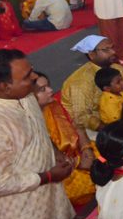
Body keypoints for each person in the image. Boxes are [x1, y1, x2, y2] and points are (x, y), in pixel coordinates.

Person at [0, 49, 74, 219]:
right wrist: (46, 177)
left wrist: (54, 151)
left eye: (32, 71)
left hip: (51, 196)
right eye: (27, 76)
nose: (35, 78)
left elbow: (38, 129)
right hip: (20, 213)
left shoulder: (25, 95)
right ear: (4, 87)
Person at [33, 71, 96, 205]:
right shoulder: (29, 122)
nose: (50, 90)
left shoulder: (54, 105)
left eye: (48, 86)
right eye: (42, 90)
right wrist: (75, 163)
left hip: (79, 152)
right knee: (87, 186)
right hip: (63, 170)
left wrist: (87, 150)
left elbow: (77, 127)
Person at [61, 35, 123, 137]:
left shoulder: (117, 68)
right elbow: (81, 117)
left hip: (121, 117)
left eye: (112, 47)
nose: (113, 52)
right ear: (91, 54)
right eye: (106, 49)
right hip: (92, 128)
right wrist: (112, 130)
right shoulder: (81, 82)